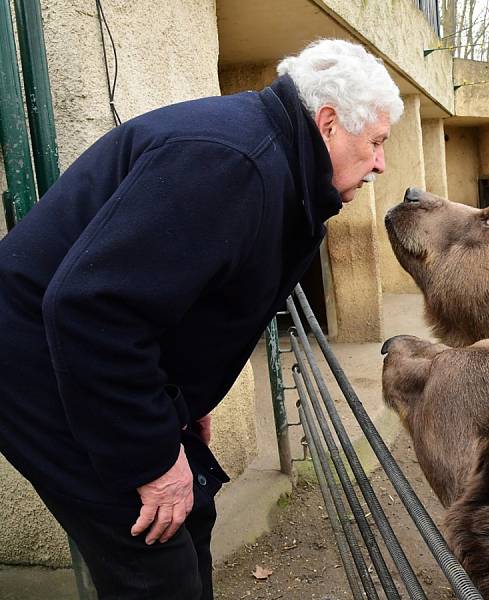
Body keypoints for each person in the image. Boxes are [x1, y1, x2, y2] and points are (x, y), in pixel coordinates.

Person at [0, 39, 403, 599]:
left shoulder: (272, 162)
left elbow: (169, 294)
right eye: (377, 143)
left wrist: (185, 405)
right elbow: (92, 310)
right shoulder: (230, 163)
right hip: (42, 364)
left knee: (192, 509)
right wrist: (151, 457)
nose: (381, 163)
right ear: (329, 123)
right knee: (151, 551)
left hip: (98, 359)